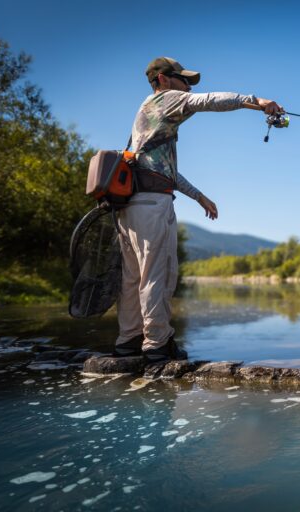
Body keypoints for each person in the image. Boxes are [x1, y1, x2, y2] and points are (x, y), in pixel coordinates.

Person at [113, 56, 282, 362]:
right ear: (163, 80)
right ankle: (157, 345)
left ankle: (128, 342)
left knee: (133, 277)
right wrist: (258, 101)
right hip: (152, 204)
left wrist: (199, 197)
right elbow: (211, 100)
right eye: (183, 80)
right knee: (158, 275)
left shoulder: (146, 114)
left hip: (132, 205)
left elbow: (163, 171)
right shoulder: (166, 100)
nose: (188, 87)